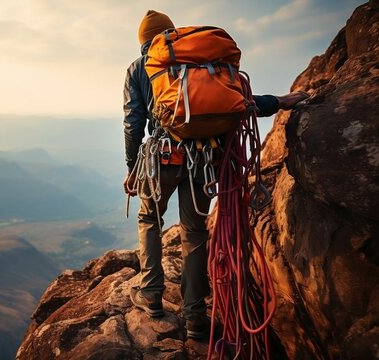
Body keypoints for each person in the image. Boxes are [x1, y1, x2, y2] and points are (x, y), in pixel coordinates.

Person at [123, 10, 308, 339]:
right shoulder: (200, 63)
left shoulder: (139, 69)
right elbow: (240, 101)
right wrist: (280, 101)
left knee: (150, 219)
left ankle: (150, 294)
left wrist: (131, 168)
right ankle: (195, 316)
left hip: (161, 160)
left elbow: (133, 122)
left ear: (143, 42)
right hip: (205, 160)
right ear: (171, 33)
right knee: (194, 234)